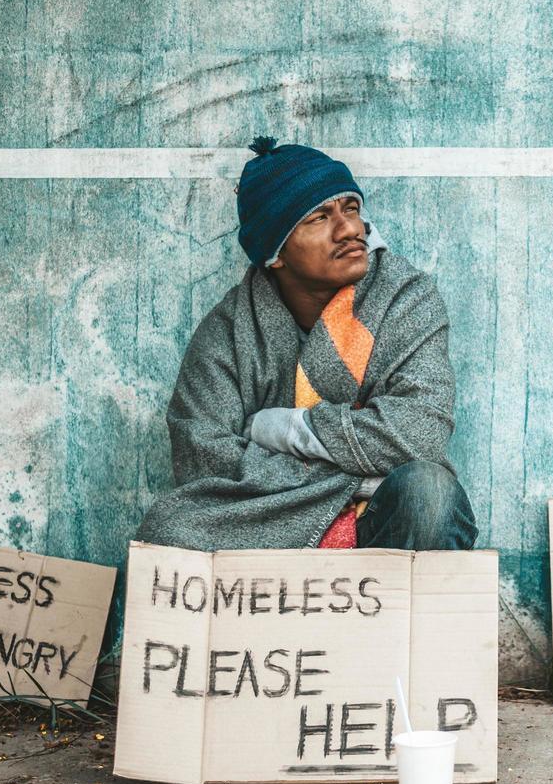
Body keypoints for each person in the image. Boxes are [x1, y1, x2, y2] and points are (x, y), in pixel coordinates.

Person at [135, 136, 477, 552]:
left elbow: (419, 431)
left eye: (351, 208)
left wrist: (285, 429)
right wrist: (351, 482)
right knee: (168, 527)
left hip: (383, 516)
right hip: (274, 518)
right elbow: (200, 456)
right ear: (275, 253)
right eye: (319, 217)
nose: (351, 228)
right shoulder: (229, 330)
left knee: (430, 494)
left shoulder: (405, 298)